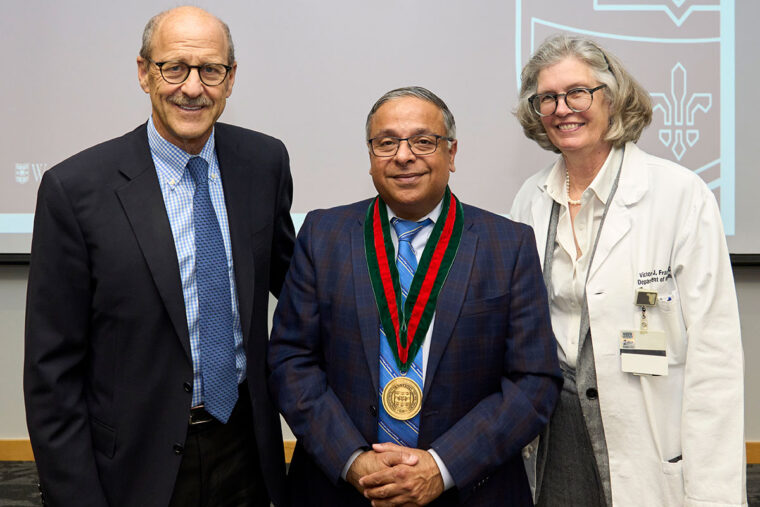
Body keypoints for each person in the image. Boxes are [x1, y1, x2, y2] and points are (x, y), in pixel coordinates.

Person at [23, 6, 294, 507]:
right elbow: (51, 372)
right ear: (145, 73)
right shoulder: (75, 189)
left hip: (246, 452)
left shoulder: (264, 163)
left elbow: (297, 287)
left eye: (210, 69)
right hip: (135, 464)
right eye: (175, 68)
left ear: (230, 79)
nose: (193, 87)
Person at [268, 86, 562, 506]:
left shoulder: (507, 244)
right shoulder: (322, 235)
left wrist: (441, 467)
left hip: (469, 489)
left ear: (452, 153)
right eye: (386, 142)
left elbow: (534, 381)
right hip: (344, 491)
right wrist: (353, 461)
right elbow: (290, 360)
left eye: (423, 141)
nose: (403, 156)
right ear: (370, 155)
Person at [511, 34, 746, 506]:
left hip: (648, 437)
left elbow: (715, 357)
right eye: (547, 98)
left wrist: (715, 494)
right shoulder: (528, 200)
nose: (562, 108)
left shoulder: (678, 194)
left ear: (612, 98)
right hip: (556, 439)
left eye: (578, 92)